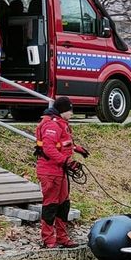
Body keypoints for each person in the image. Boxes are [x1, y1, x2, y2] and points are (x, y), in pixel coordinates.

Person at [35, 96, 88, 248]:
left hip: (60, 171)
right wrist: (67, 161)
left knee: (64, 205)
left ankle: (62, 238)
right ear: (62, 111)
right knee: (50, 205)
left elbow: (64, 143)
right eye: (70, 110)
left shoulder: (61, 124)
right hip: (50, 171)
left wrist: (77, 149)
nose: (72, 113)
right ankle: (48, 239)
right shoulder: (51, 126)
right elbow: (49, 149)